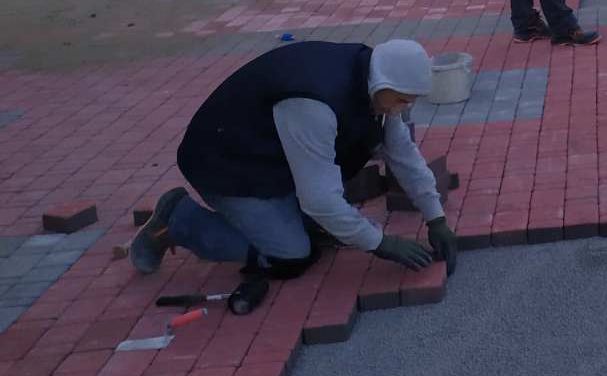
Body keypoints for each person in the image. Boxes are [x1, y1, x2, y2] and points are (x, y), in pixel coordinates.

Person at [128, 39, 458, 279]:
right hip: (228, 165)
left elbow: (403, 155)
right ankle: (179, 220)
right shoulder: (315, 104)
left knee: (326, 225)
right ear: (383, 83)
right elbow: (319, 200)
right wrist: (380, 243)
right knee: (293, 256)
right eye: (401, 100)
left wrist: (436, 218)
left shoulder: (375, 82)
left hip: (274, 155)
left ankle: (286, 214)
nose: (403, 108)